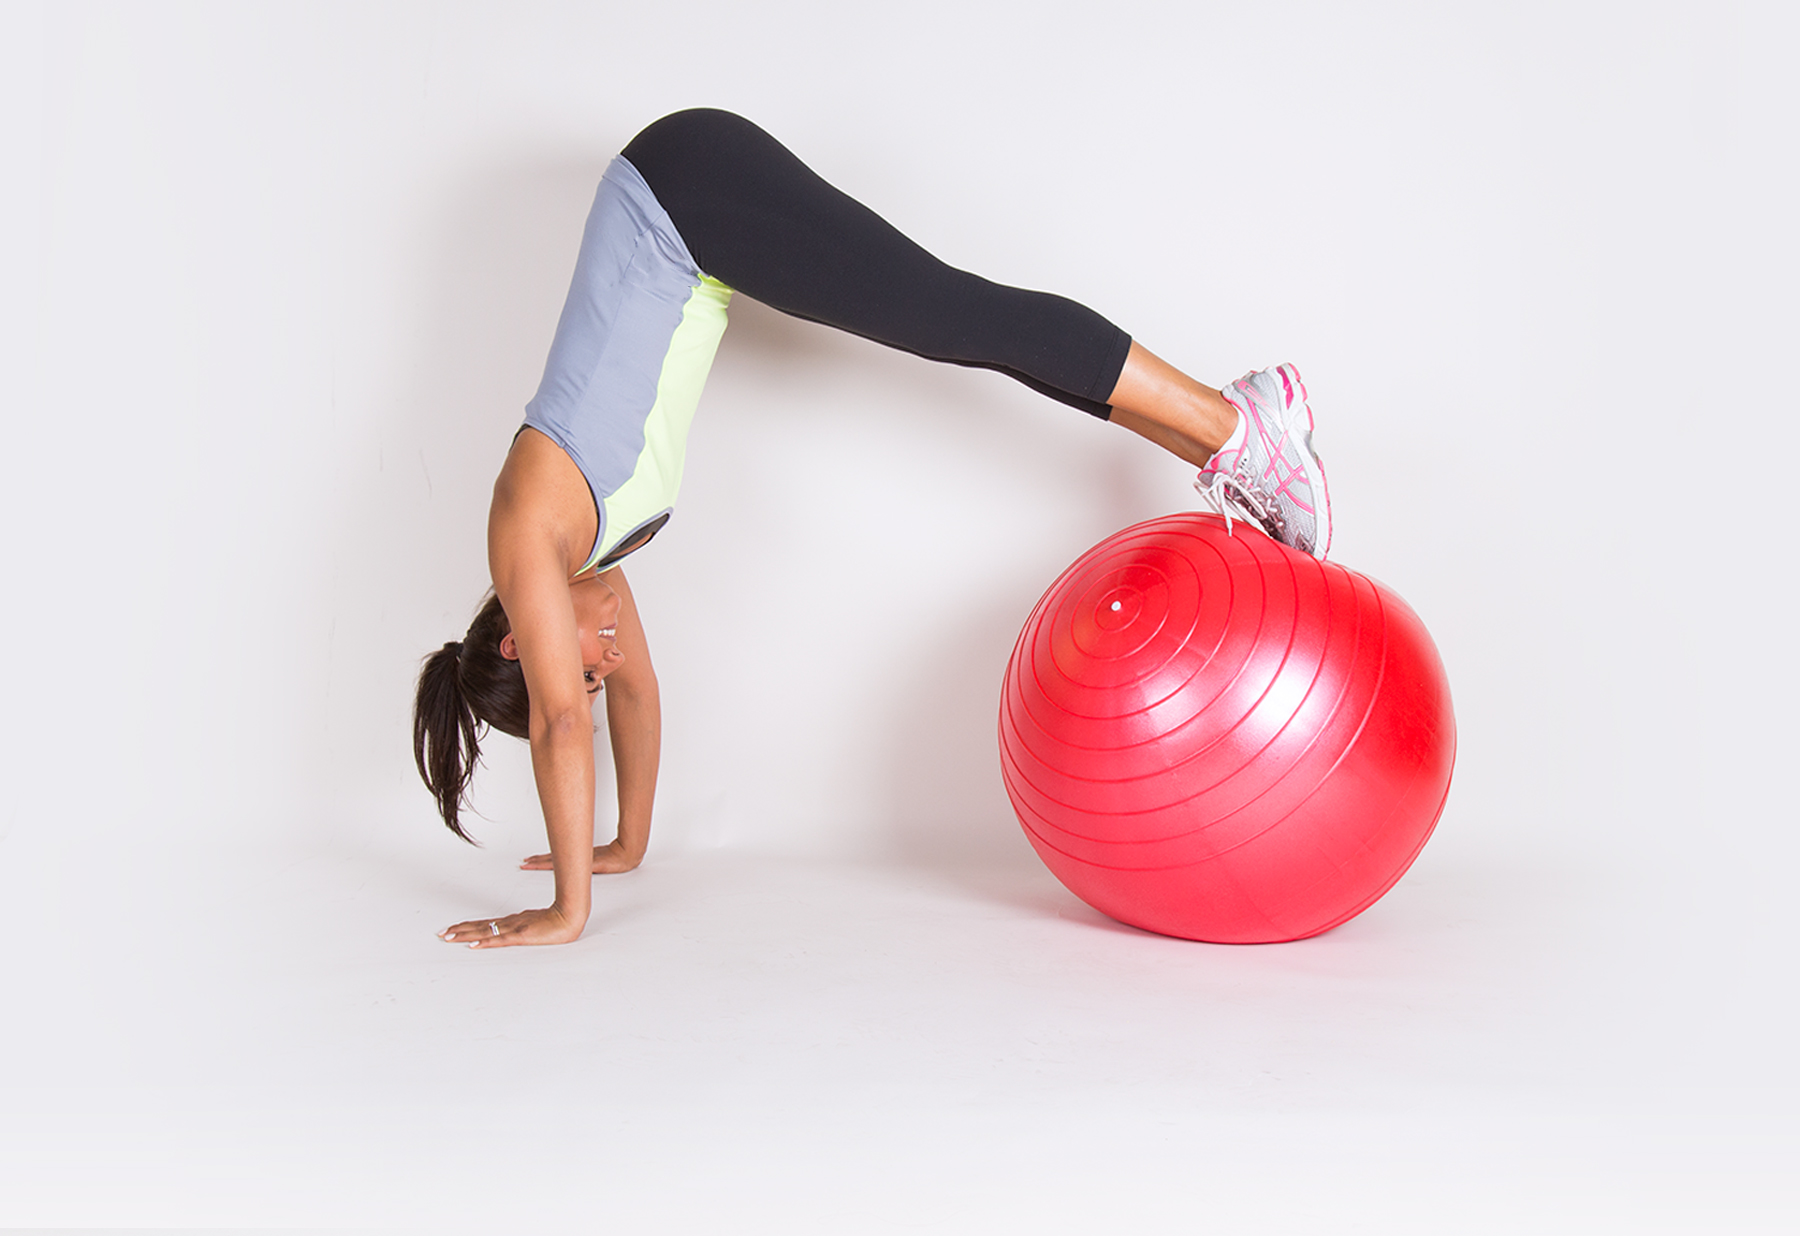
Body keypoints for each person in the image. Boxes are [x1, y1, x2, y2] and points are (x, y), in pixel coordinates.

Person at [414, 109, 1331, 949]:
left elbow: (562, 724)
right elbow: (638, 699)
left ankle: (1236, 423)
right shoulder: (599, 555)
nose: (607, 664)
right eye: (595, 673)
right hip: (698, 227)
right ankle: (1223, 441)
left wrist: (567, 910)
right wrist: (626, 842)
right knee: (965, 332)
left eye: (582, 666)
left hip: (681, 193)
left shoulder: (526, 529)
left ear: (520, 635)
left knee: (952, 314)